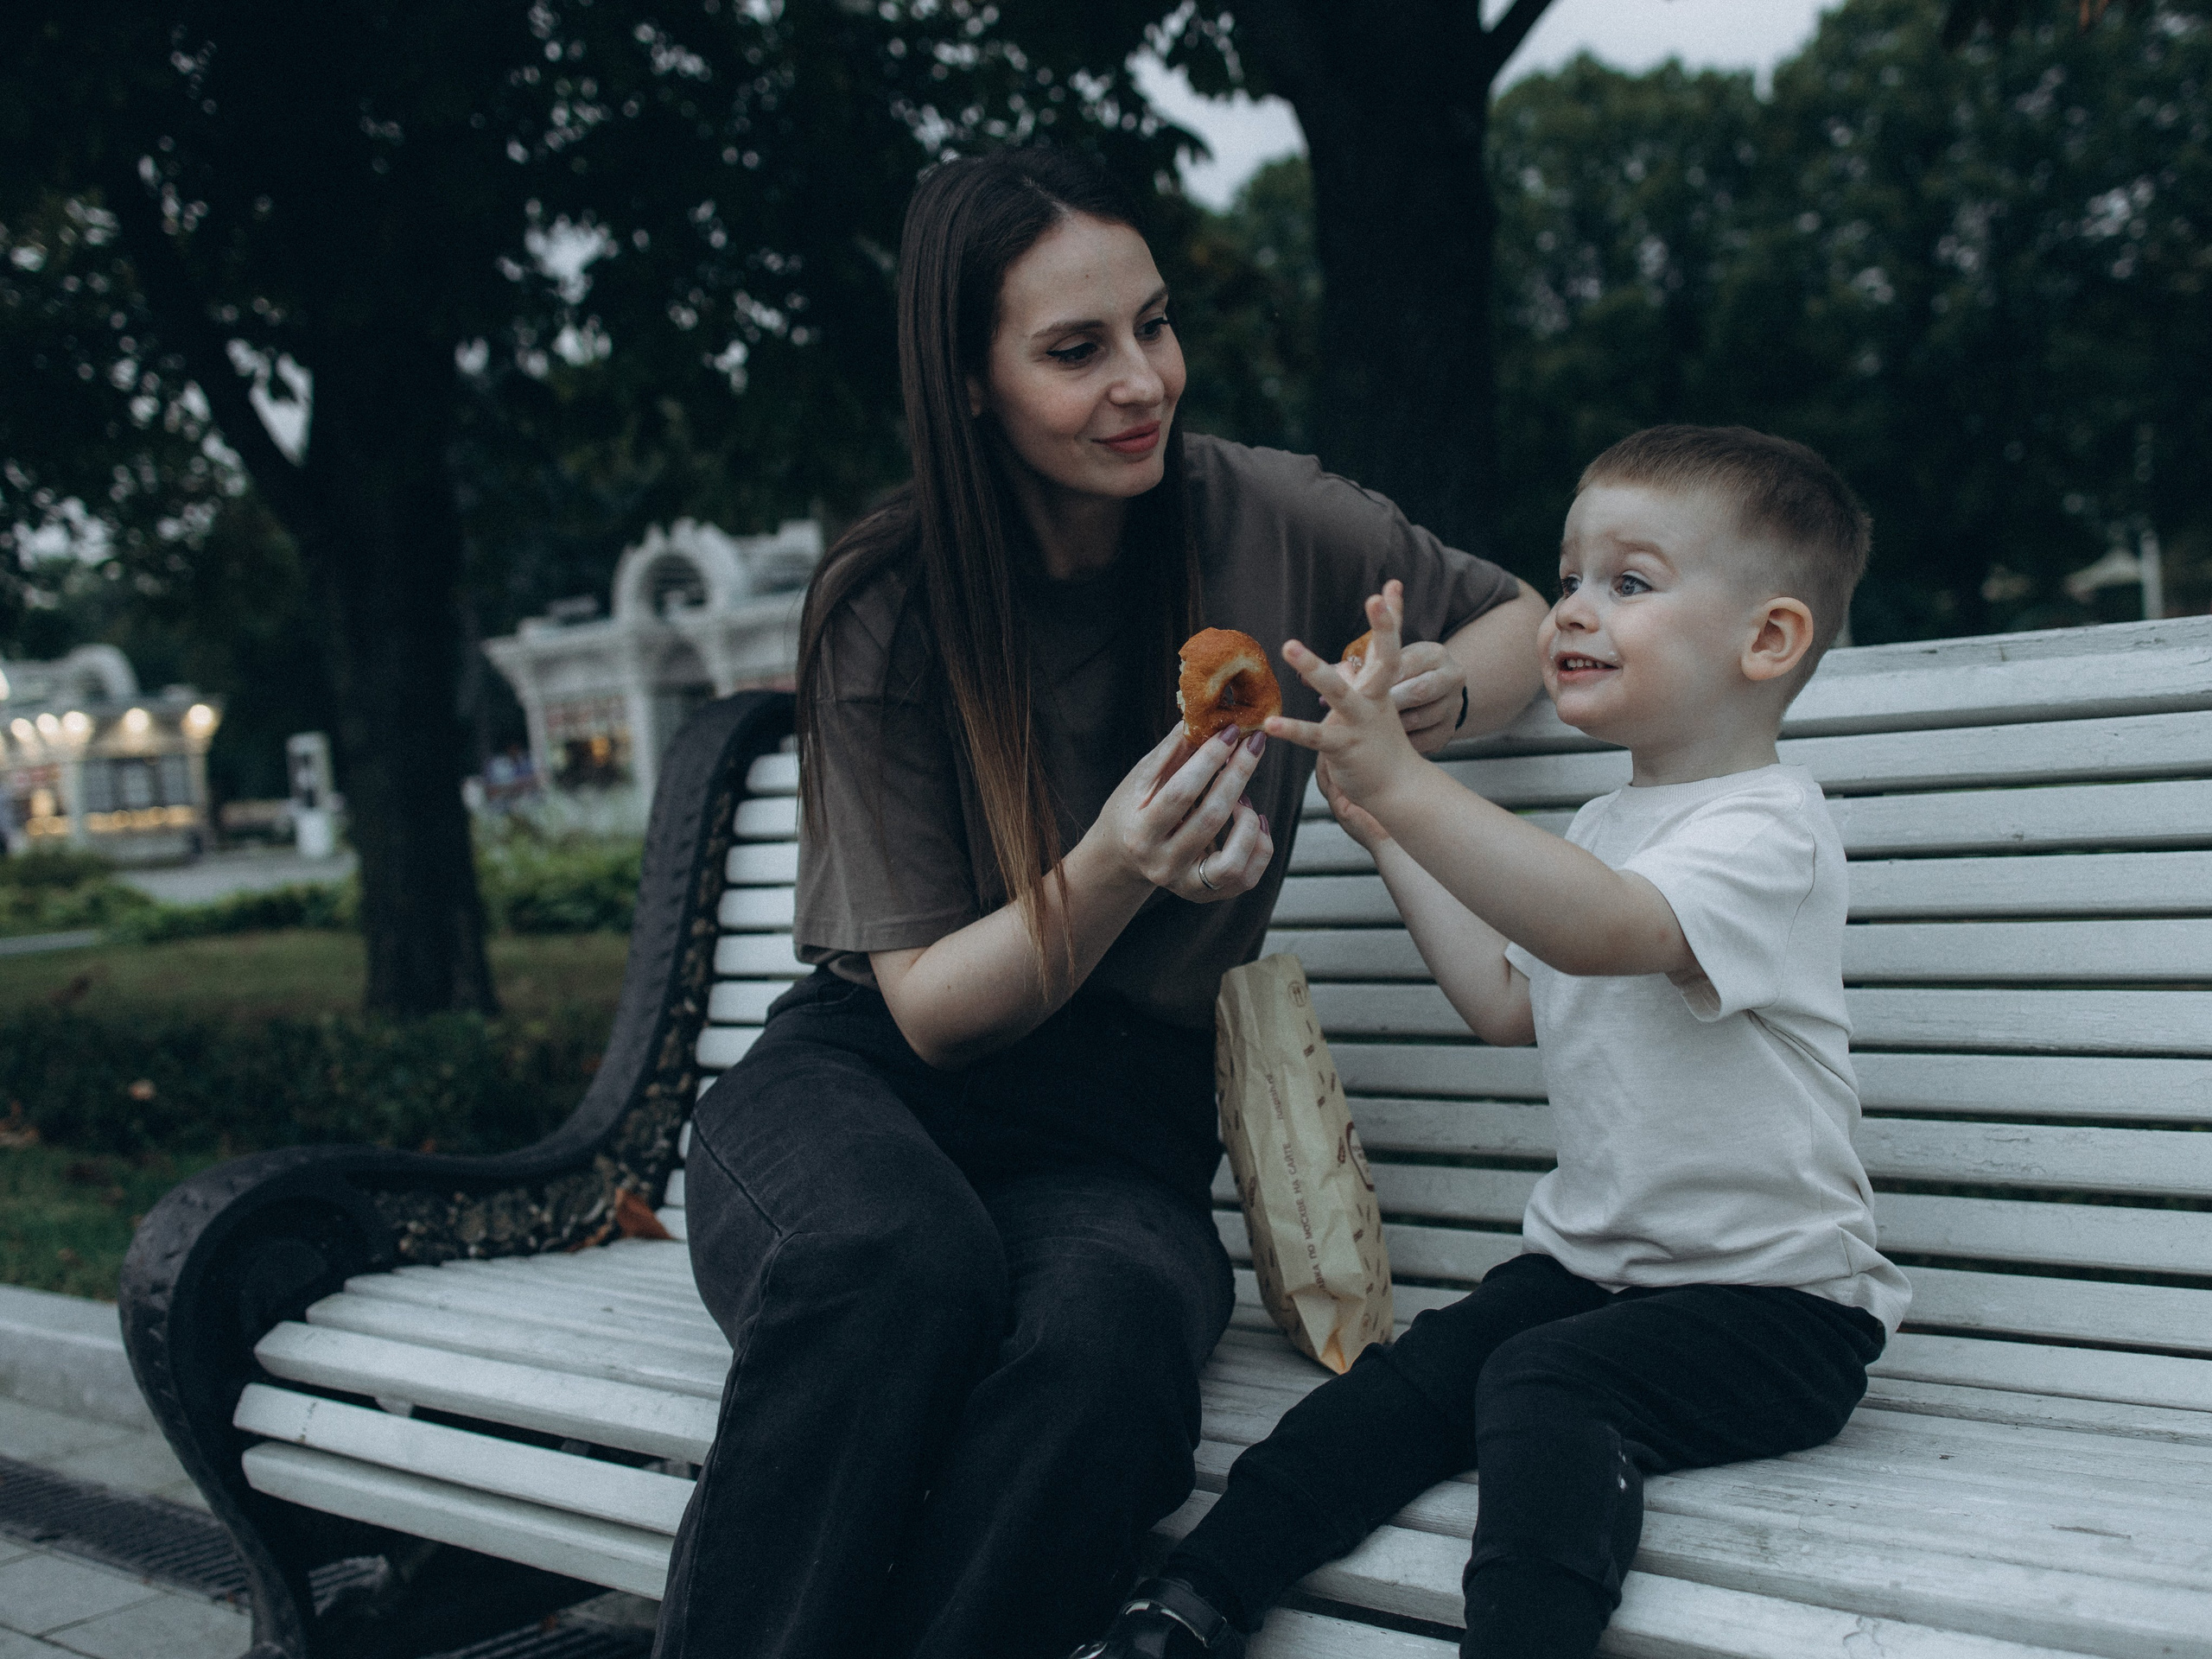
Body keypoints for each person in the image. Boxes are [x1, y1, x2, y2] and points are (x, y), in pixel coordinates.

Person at [652, 147, 1547, 1659]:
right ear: (969, 383)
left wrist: (1433, 702)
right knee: (897, 1268)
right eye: (1076, 351)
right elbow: (929, 1011)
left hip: (1116, 1133)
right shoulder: (888, 597)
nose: (1143, 381)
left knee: (1111, 1341)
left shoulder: (1260, 516)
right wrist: (1122, 863)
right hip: (863, 1099)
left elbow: (1515, 616)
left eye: (1155, 324)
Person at [1075, 426, 1913, 1659]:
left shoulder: (1769, 832)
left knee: (1546, 1387)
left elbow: (1605, 932)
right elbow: (1504, 1001)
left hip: (1778, 1314)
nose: (1572, 607)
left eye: (1629, 582)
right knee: (1412, 1386)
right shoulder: (1608, 820)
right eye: (1568, 576)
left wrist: (1417, 787)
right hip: (1598, 1274)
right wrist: (1388, 823)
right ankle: (1187, 1606)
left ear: (1768, 640)